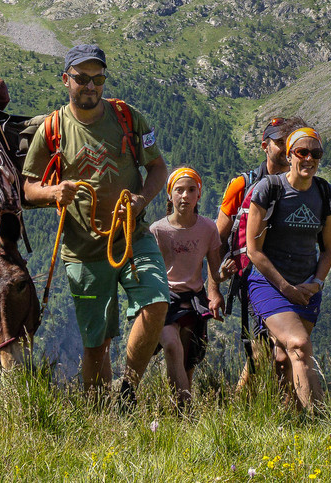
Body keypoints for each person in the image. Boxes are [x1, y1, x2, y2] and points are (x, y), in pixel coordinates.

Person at [22, 44, 168, 406]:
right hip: (83, 250)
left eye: (98, 78)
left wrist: (141, 200)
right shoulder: (53, 128)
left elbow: (158, 168)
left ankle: (128, 388)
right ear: (65, 79)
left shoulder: (127, 117)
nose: (91, 86)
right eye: (82, 78)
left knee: (156, 304)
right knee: (96, 343)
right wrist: (55, 191)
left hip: (132, 237)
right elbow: (28, 188)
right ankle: (100, 415)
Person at [218, 116, 331, 389]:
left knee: (280, 355)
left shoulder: (318, 191)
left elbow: (320, 235)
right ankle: (248, 411)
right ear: (266, 146)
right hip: (258, 279)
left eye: (314, 152)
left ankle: (281, 415)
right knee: (268, 351)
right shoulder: (250, 185)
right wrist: (214, 283)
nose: (285, 149)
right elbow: (217, 237)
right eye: (281, 143)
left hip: (300, 281)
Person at [243, 124, 331, 412]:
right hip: (269, 285)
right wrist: (285, 288)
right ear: (290, 154)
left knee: (285, 358)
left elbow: (328, 249)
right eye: (302, 152)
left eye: (316, 153)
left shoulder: (324, 192)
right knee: (299, 344)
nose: (309, 159)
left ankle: (288, 420)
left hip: (307, 287)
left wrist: (316, 284)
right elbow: (253, 250)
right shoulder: (269, 189)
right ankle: (321, 422)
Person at [150, 166, 223, 411]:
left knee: (189, 361)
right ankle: (186, 411)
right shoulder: (158, 230)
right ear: (170, 195)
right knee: (171, 346)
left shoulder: (208, 228)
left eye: (191, 190)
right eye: (179, 190)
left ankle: (177, 416)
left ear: (199, 195)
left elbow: (215, 268)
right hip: (165, 298)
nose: (185, 196)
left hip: (194, 298)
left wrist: (217, 291)